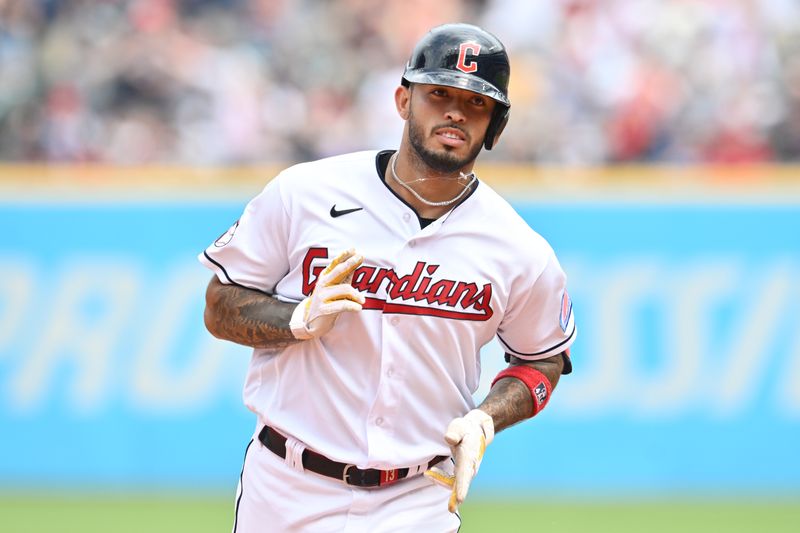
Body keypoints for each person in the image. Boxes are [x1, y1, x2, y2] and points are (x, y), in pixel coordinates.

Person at [200, 23, 576, 532]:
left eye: (477, 103)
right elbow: (219, 304)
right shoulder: (305, 192)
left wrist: (486, 418)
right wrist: (297, 318)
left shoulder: (518, 248)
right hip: (288, 485)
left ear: (496, 126)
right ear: (403, 101)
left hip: (417, 498)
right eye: (439, 93)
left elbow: (541, 360)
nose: (455, 112)